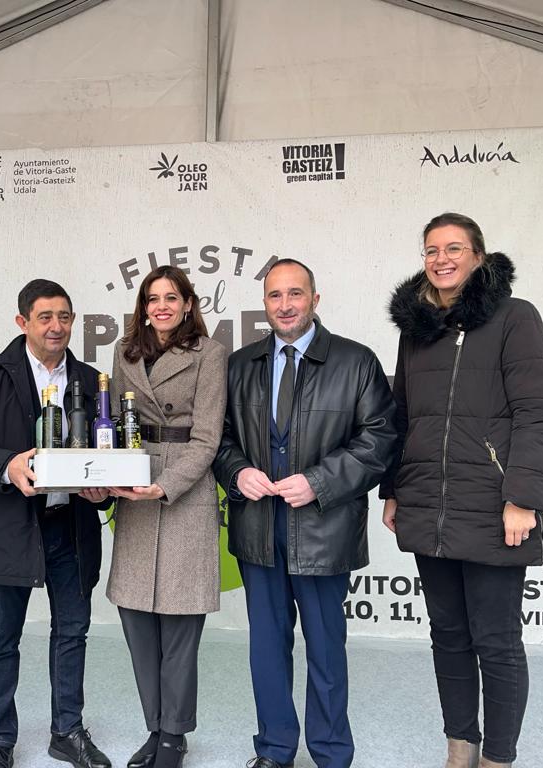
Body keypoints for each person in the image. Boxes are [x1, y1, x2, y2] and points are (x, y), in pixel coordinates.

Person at [379, 213, 543, 768]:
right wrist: (394, 488)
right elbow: (402, 413)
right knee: (448, 637)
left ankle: (497, 759)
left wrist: (523, 497)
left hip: (493, 507)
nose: (441, 259)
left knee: (497, 645)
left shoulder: (514, 318)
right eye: (431, 249)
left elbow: (536, 414)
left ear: (478, 256)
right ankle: (460, 748)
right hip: (428, 505)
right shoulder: (418, 329)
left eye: (453, 248)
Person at [213, 258, 396, 768]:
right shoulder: (240, 364)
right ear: (265, 304)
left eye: (296, 294)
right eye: (275, 295)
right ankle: (274, 750)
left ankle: (332, 754)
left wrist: (318, 482)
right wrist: (236, 472)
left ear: (315, 299)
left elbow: (380, 440)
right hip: (257, 530)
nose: (286, 304)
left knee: (326, 653)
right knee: (267, 653)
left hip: (323, 532)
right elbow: (220, 437)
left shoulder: (356, 362)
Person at [0, 279, 112, 768]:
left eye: (64, 316)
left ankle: (67, 731)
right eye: (45, 317)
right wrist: (7, 465)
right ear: (22, 323)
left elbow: (107, 448)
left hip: (72, 526)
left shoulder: (91, 377)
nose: (56, 326)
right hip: (11, 524)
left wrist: (102, 490)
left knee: (72, 632)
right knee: (0, 639)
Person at [105, 266, 227, 768]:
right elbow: (111, 421)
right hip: (132, 491)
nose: (161, 307)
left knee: (179, 630)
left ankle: (175, 735)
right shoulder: (124, 351)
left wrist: (166, 485)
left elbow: (208, 439)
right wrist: (109, 476)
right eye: (152, 299)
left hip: (183, 493)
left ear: (187, 304)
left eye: (171, 298)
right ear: (143, 306)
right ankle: (154, 728)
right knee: (137, 624)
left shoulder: (210, 354)